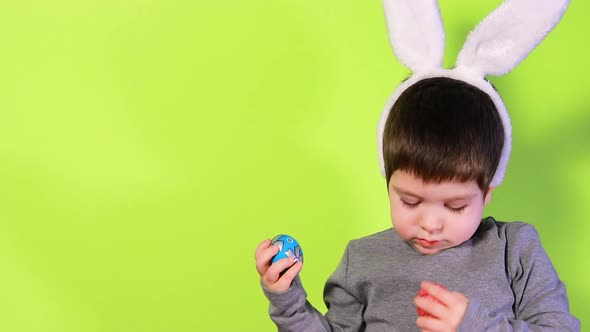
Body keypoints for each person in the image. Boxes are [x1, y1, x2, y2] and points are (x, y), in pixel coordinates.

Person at [255, 0, 580, 331]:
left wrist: (475, 325)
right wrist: (288, 301)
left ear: (487, 193)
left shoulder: (515, 250)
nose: (430, 224)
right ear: (388, 181)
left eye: (455, 206)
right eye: (409, 201)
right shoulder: (362, 260)